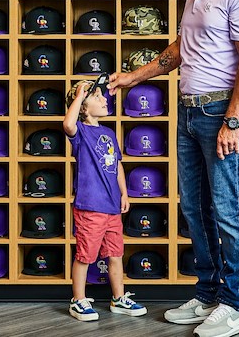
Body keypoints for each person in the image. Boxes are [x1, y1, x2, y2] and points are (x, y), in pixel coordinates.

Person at [108, 0, 239, 337]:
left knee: (229, 210)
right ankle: (208, 293)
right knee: (194, 209)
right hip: (190, 113)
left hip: (220, 114)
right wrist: (133, 77)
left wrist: (233, 120)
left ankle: (234, 306)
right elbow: (181, 48)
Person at [63, 80, 147, 322]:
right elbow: (67, 123)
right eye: (97, 97)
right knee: (85, 256)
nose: (104, 100)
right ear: (83, 108)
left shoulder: (108, 133)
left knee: (115, 254)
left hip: (111, 206)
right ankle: (78, 301)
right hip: (90, 207)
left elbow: (117, 164)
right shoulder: (80, 131)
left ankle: (118, 298)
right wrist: (80, 95)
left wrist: (124, 192)